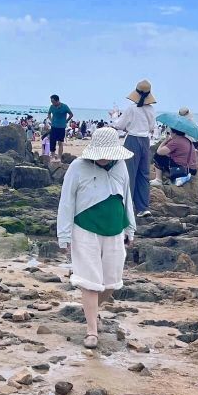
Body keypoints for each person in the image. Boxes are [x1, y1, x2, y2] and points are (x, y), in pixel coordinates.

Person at [56, 127, 136, 347]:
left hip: (115, 230)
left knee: (111, 282)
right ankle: (92, 331)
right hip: (84, 230)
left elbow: (127, 197)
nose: (105, 157)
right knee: (90, 283)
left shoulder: (120, 166)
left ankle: (92, 312)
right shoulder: (77, 167)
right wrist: (63, 235)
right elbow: (66, 201)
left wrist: (130, 228)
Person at [112, 80, 156, 217]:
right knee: (144, 175)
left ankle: (127, 205)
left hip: (132, 140)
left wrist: (114, 116)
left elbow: (119, 125)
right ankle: (143, 207)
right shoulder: (151, 109)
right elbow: (151, 127)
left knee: (129, 174)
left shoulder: (132, 108)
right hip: (145, 141)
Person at [47, 94, 73, 160]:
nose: (52, 103)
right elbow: (49, 113)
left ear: (57, 100)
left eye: (53, 101)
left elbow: (71, 114)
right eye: (51, 102)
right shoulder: (52, 107)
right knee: (52, 142)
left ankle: (59, 157)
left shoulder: (64, 106)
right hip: (53, 126)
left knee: (60, 142)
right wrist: (50, 119)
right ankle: (52, 157)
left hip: (61, 127)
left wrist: (66, 121)